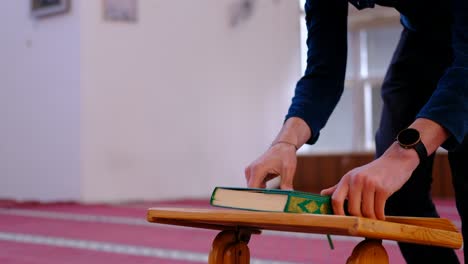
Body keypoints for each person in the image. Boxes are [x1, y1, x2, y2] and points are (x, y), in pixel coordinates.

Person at [244, 0, 467, 263]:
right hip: (421, 40)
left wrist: (402, 156)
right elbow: (323, 74)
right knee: (396, 194)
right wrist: (284, 143)